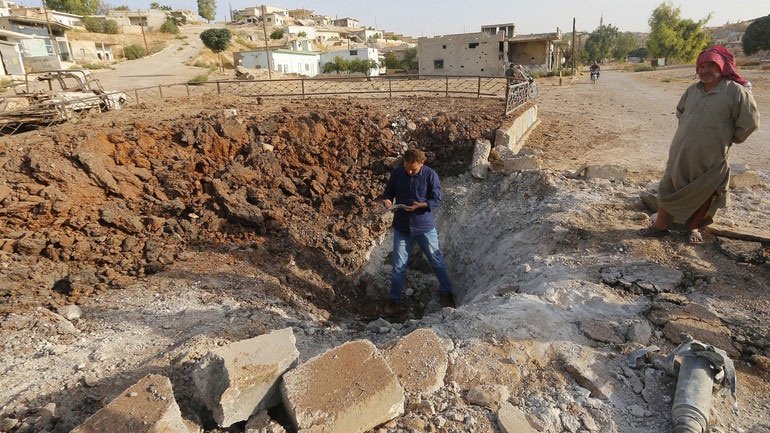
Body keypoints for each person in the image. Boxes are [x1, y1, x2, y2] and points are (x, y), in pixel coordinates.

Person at [639, 46, 760, 243]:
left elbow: (750, 123)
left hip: (712, 154)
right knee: (669, 185)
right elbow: (681, 112)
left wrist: (727, 138)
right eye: (702, 66)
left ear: (722, 67)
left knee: (704, 190)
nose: (705, 70)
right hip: (681, 150)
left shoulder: (735, 92)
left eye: (711, 65)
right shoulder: (692, 90)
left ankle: (693, 228)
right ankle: (659, 226)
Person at [381, 148, 455, 314]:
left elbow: (437, 199)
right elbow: (388, 193)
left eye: (413, 169)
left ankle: (447, 293)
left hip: (424, 227)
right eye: (406, 167)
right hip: (402, 227)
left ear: (421, 163)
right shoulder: (397, 173)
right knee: (398, 266)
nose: (409, 171)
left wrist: (420, 205)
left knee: (436, 261)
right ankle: (394, 299)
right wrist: (387, 201)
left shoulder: (430, 175)